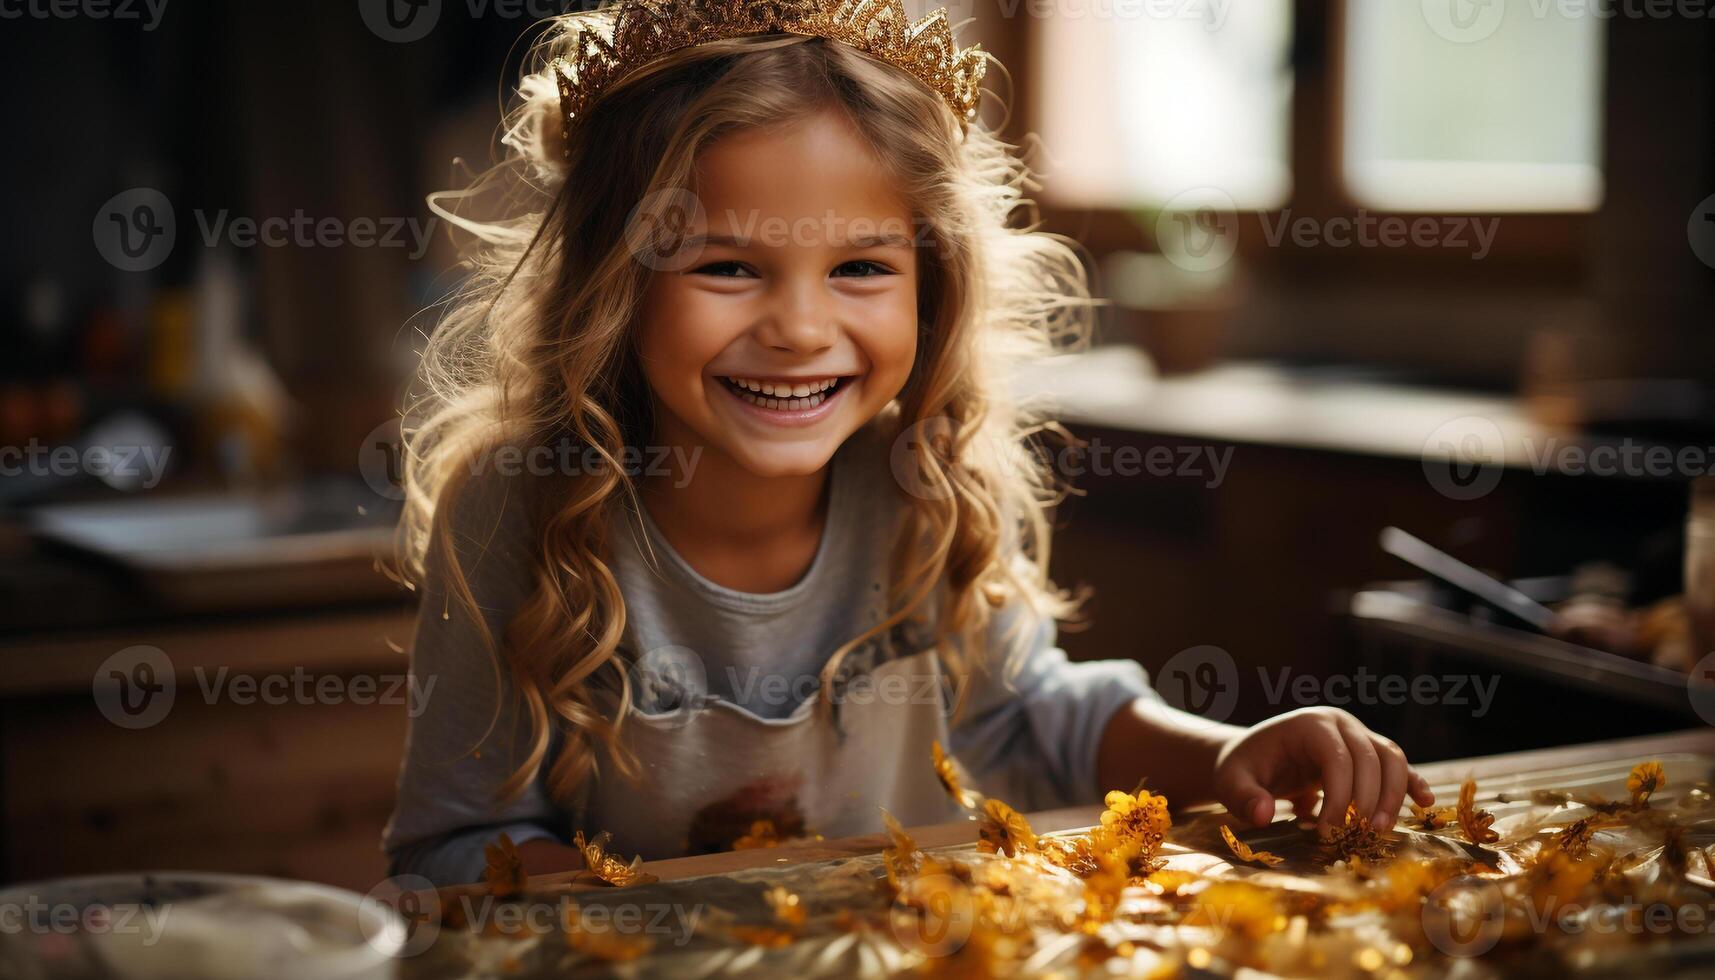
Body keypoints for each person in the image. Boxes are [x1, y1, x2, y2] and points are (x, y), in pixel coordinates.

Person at [382, 0, 1433, 887]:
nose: (798, 328)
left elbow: (1031, 721)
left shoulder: (922, 486)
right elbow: (458, 839)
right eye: (725, 266)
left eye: (860, 269)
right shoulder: (519, 504)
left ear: (931, 287)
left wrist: (1221, 753)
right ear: (611, 286)